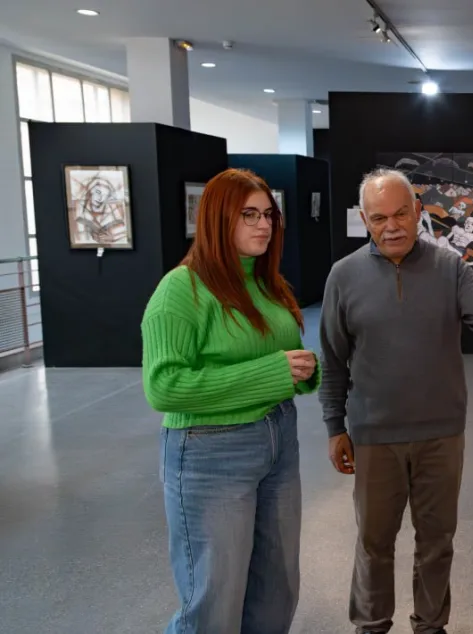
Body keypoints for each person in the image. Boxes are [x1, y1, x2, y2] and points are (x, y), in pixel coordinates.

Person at [319, 168, 473, 634]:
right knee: (373, 543)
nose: (392, 226)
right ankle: (371, 625)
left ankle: (430, 625)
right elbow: (333, 359)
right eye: (379, 218)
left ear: (418, 211)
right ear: (364, 220)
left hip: (441, 435)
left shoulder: (450, 268)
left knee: (437, 542)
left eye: (401, 213)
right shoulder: (343, 276)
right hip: (374, 435)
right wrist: (334, 427)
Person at [141, 168, 320, 634]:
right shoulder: (180, 290)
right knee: (215, 601)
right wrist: (273, 373)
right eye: (249, 215)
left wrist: (302, 371)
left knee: (277, 588)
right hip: (210, 450)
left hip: (278, 440)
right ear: (218, 219)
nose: (264, 225)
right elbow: (164, 387)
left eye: (268, 215)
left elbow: (278, 356)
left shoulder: (265, 283)